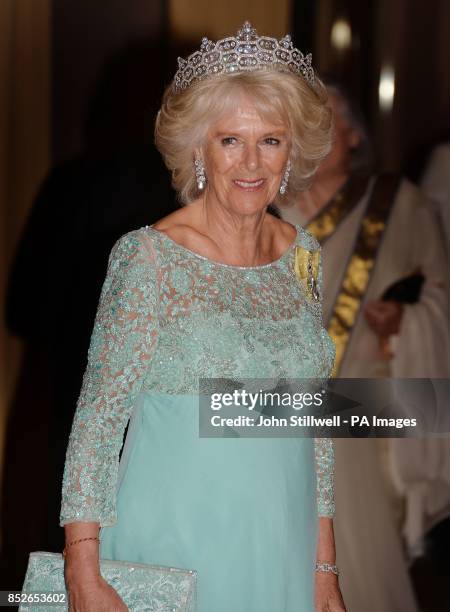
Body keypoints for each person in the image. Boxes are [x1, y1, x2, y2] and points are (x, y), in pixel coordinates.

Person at [59, 23, 345, 612]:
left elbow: (311, 422)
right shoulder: (149, 258)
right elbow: (96, 422)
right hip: (177, 537)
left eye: (270, 140)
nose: (251, 163)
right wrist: (82, 571)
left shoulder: (304, 256)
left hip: (282, 538)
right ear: (199, 148)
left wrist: (324, 568)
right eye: (230, 140)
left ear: (292, 152)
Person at [280, 82, 449, 612]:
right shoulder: (256, 197)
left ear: (354, 135)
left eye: (327, 119)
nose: (313, 132)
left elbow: (443, 298)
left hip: (353, 418)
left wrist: (406, 320)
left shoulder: (398, 204)